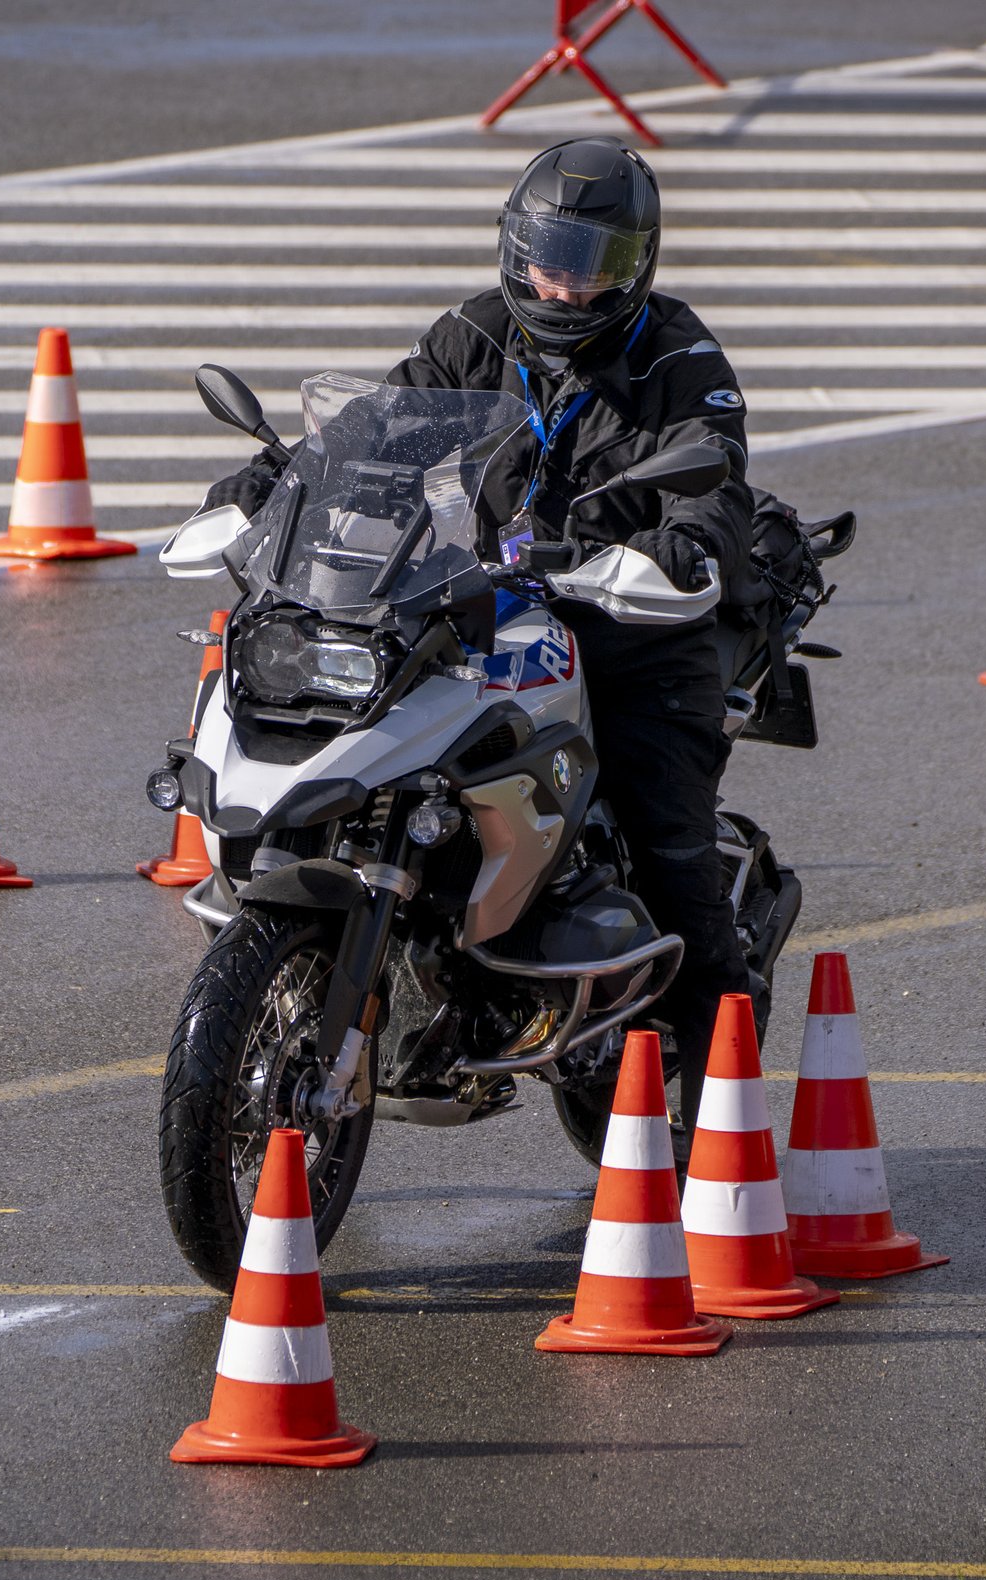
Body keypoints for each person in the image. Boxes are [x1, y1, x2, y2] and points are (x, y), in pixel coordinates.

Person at [202, 137, 756, 1118]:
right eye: (547, 257)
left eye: (591, 265)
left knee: (671, 843)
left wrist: (682, 544)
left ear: (637, 264)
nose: (563, 285)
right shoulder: (474, 332)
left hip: (629, 622)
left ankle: (725, 1100)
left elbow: (712, 468)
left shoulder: (681, 357)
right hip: (485, 600)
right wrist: (277, 480)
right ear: (513, 246)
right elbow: (375, 429)